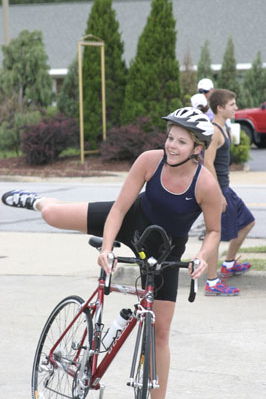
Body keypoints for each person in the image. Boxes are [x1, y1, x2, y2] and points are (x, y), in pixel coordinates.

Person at [2, 107, 228, 398]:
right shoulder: (149, 161)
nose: (171, 145)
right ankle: (40, 201)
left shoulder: (206, 185)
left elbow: (213, 232)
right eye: (170, 137)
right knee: (54, 216)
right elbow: (120, 208)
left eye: (181, 142)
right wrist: (106, 249)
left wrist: (202, 256)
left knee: (161, 332)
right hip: (129, 220)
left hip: (165, 248)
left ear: (197, 148)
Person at [204, 89, 255, 294]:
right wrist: (218, 194)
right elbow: (207, 162)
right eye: (232, 104)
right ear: (220, 108)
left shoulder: (224, 127)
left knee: (248, 221)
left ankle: (229, 264)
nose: (236, 108)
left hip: (225, 188)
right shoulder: (215, 130)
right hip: (219, 190)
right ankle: (212, 282)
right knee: (214, 235)